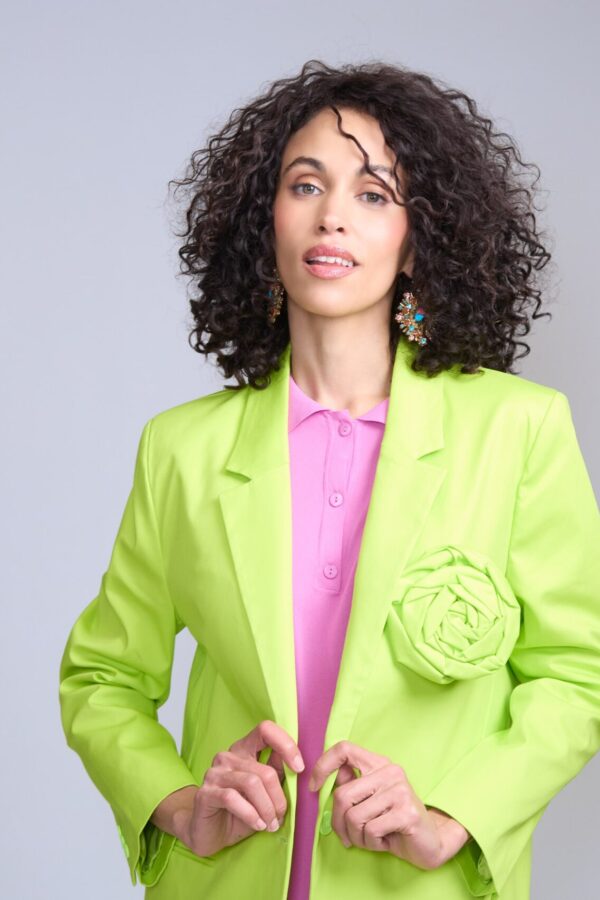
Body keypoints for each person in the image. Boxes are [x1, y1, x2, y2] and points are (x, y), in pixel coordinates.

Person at [58, 59, 600, 900]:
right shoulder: (182, 450)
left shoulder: (519, 431)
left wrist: (453, 815)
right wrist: (176, 804)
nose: (332, 215)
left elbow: (576, 675)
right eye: (305, 185)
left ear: (418, 240)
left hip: (418, 885)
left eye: (374, 194)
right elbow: (103, 679)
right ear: (264, 220)